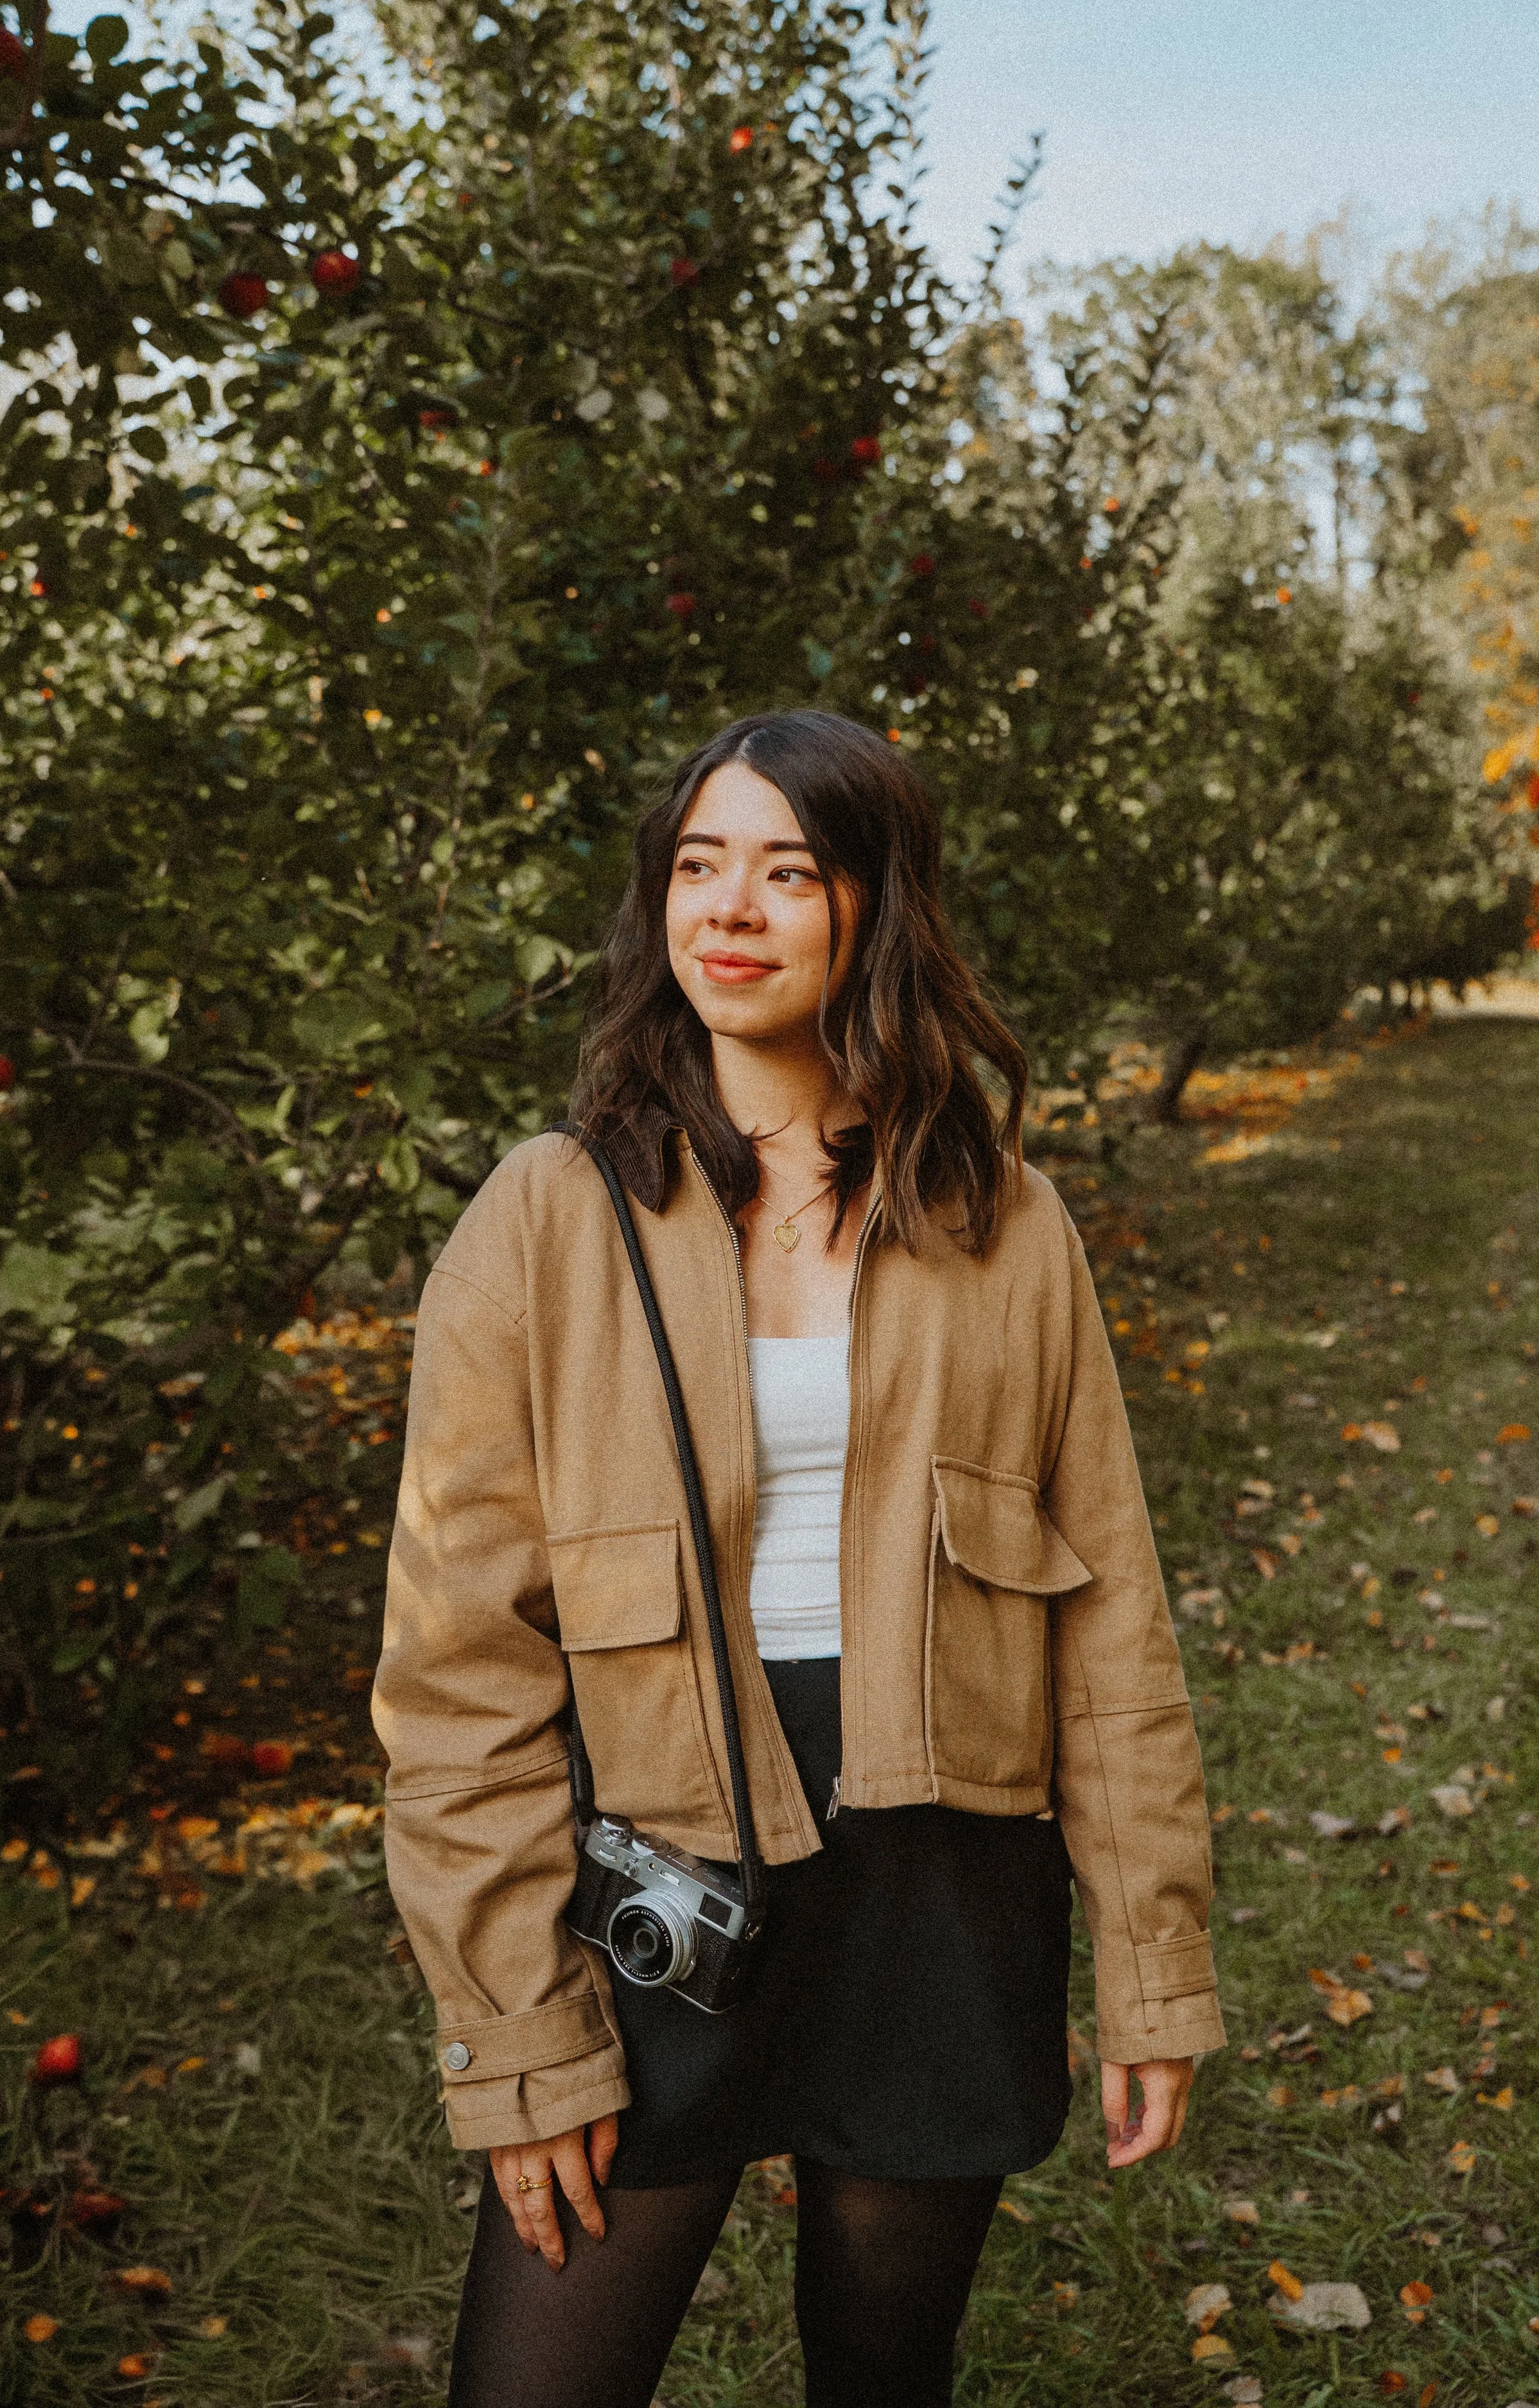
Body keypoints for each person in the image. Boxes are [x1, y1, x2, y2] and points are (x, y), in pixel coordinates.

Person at [372, 709, 1225, 2408]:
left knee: (887, 2368)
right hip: (660, 1869)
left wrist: (1152, 1962)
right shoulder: (546, 1217)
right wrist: (522, 2029)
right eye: (698, 866)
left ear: (870, 909)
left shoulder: (1003, 1222)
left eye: (785, 868)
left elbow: (1111, 1626)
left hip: (943, 1881)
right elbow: (456, 1662)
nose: (730, 907)